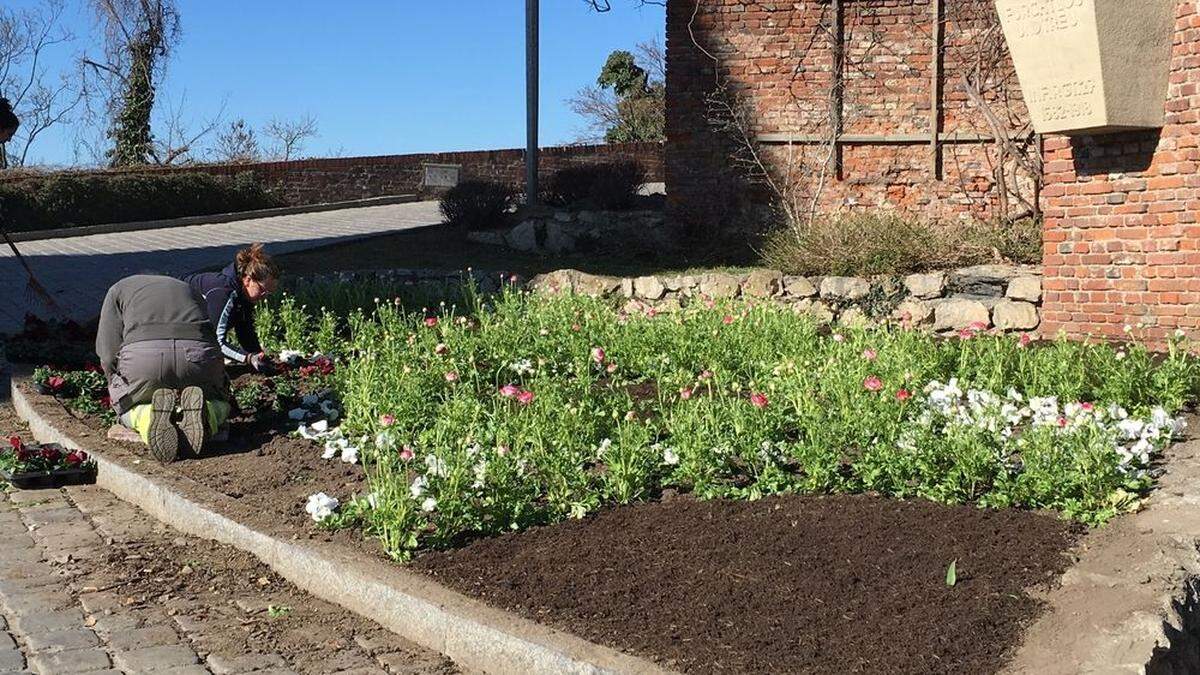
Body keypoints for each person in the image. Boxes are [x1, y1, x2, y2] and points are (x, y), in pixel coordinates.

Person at [96, 275, 231, 462]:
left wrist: (118, 389)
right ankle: (208, 415)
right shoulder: (188, 289)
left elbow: (108, 352)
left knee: (128, 408)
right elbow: (210, 337)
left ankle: (148, 418)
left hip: (144, 361)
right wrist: (218, 384)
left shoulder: (118, 289)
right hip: (197, 358)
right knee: (221, 402)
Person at [183, 243, 280, 372]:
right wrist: (248, 358)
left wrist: (259, 355)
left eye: (269, 293)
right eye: (262, 290)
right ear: (248, 280)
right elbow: (216, 341)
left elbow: (245, 329)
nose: (264, 296)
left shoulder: (243, 294)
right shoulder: (224, 291)